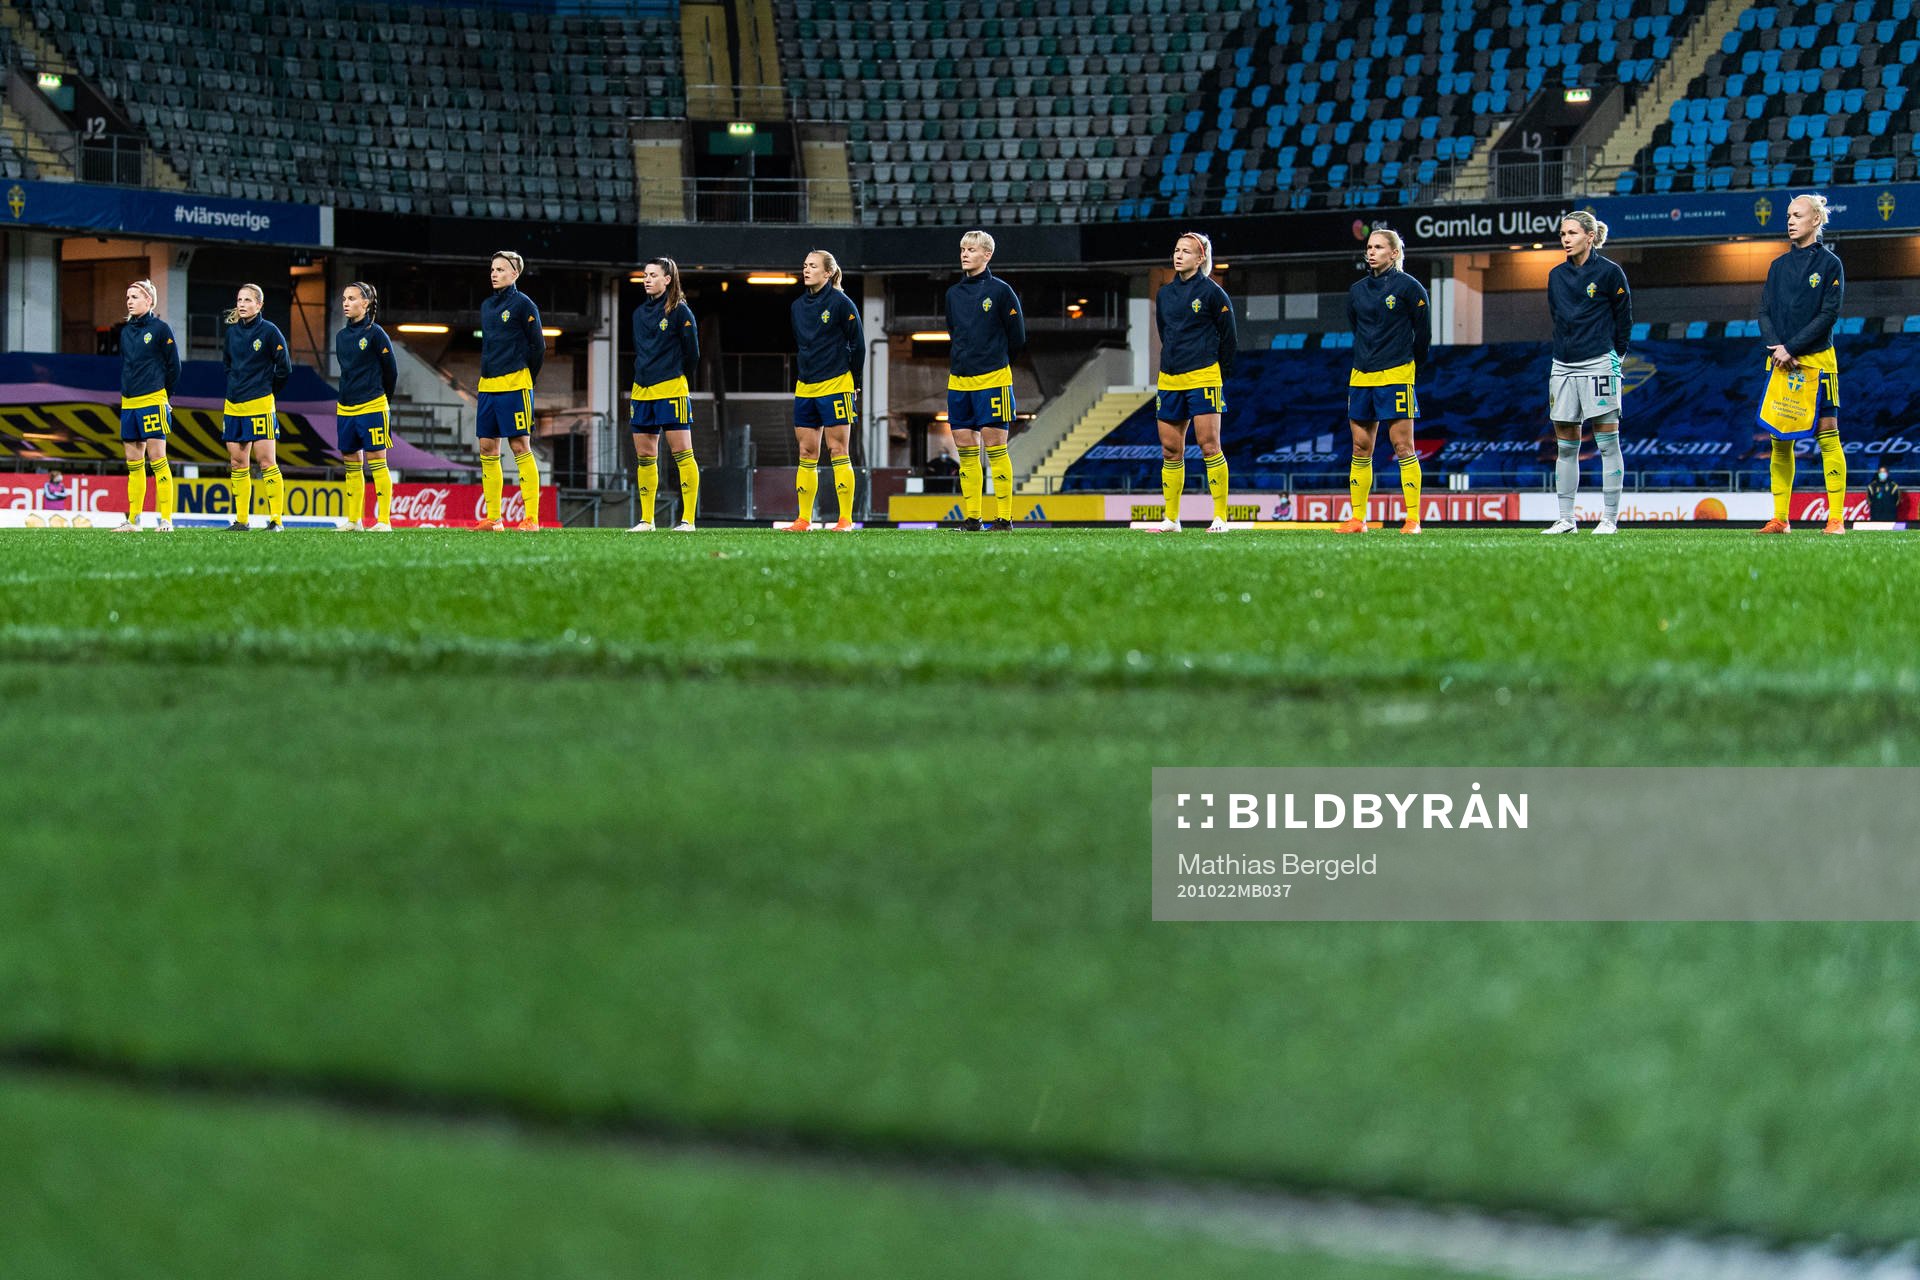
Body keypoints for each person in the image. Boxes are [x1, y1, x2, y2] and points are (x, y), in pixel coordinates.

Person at [1755, 193, 1847, 536]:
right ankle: (1780, 518)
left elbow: (1829, 314)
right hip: (1779, 362)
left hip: (1818, 363)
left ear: (1816, 220)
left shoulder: (1829, 264)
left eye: (1797, 215)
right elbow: (1764, 310)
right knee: (1779, 440)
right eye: (1788, 215)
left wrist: (1791, 346)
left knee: (1828, 434)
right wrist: (1777, 346)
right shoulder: (1777, 266)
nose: (1790, 220)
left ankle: (1835, 518)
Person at [1542, 211, 1632, 535]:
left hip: (1599, 363)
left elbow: (1625, 319)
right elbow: (1558, 317)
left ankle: (1609, 519)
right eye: (1562, 233)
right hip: (1562, 365)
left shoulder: (1610, 273)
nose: (1565, 238)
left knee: (1608, 443)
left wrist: (1616, 357)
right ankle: (1566, 519)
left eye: (1571, 233)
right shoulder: (1555, 275)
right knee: (1565, 446)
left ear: (1589, 237)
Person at [1339, 227, 1430, 535]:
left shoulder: (1410, 288)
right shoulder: (1357, 290)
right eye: (1369, 246)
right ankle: (1357, 519)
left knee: (1403, 446)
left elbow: (1424, 335)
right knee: (1360, 447)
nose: (1371, 251)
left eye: (1378, 247)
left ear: (1394, 253)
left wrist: (1410, 366)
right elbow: (1357, 327)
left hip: (1397, 373)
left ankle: (1413, 519)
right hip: (1361, 374)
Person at [1146, 231, 1236, 533]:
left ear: (1201, 258)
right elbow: (1165, 332)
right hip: (1170, 378)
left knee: (1209, 446)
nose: (1179, 255)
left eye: (1186, 251)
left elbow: (1229, 337)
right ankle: (1171, 519)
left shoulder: (1212, 293)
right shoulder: (1165, 294)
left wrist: (1217, 372)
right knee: (1170, 450)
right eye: (1176, 250)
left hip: (1204, 375)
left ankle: (1221, 517)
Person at [945, 229, 1027, 531]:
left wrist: (994, 362)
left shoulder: (1001, 291)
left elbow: (1017, 337)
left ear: (987, 255)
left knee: (996, 450)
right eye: (962, 248)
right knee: (966, 452)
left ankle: (1004, 518)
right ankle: (973, 519)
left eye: (971, 249)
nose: (965, 253)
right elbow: (954, 331)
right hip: (959, 382)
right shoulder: (952, 294)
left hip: (993, 379)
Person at [781, 249, 864, 532]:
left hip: (837, 383)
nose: (806, 270)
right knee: (806, 452)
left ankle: (845, 520)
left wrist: (856, 381)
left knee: (838, 449)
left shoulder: (842, 303)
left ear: (827, 273)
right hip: (805, 386)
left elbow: (859, 345)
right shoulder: (796, 307)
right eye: (804, 265)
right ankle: (803, 519)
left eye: (813, 266)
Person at [627, 255, 701, 532]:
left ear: (667, 280)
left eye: (653, 275)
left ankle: (688, 520)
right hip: (641, 389)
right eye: (645, 275)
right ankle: (647, 520)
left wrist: (675, 374)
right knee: (645, 456)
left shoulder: (680, 311)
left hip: (671, 388)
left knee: (682, 452)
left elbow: (692, 353)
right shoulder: (638, 313)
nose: (647, 279)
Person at [474, 249, 545, 532]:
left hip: (515, 384)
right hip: (487, 385)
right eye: (492, 269)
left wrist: (528, 376)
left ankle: (532, 519)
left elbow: (538, 346)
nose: (494, 273)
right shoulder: (486, 306)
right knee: (487, 448)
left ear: (515, 273)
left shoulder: (524, 305)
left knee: (519, 446)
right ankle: (494, 518)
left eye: (501, 269)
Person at [221, 283, 292, 532]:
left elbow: (284, 368)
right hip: (233, 406)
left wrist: (266, 389)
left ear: (259, 305)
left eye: (248, 300)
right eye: (239, 300)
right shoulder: (231, 333)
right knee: (238, 463)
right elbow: (227, 365)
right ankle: (242, 520)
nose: (242, 304)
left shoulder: (270, 332)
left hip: (260, 404)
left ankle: (276, 520)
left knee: (266, 462)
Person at [114, 279, 180, 533]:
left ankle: (166, 520)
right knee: (133, 462)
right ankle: (133, 520)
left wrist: (166, 396)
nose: (129, 301)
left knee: (158, 459)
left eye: (134, 296)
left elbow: (174, 366)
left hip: (153, 400)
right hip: (129, 403)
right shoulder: (125, 332)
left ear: (148, 301)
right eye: (128, 297)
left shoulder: (161, 329)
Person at [334, 282, 399, 532]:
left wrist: (384, 400)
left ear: (366, 303)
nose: (346, 303)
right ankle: (354, 520)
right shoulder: (341, 336)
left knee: (377, 461)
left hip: (373, 405)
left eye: (351, 298)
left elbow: (390, 371)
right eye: (344, 299)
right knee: (351, 463)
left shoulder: (376, 333)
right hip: (346, 408)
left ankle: (384, 520)